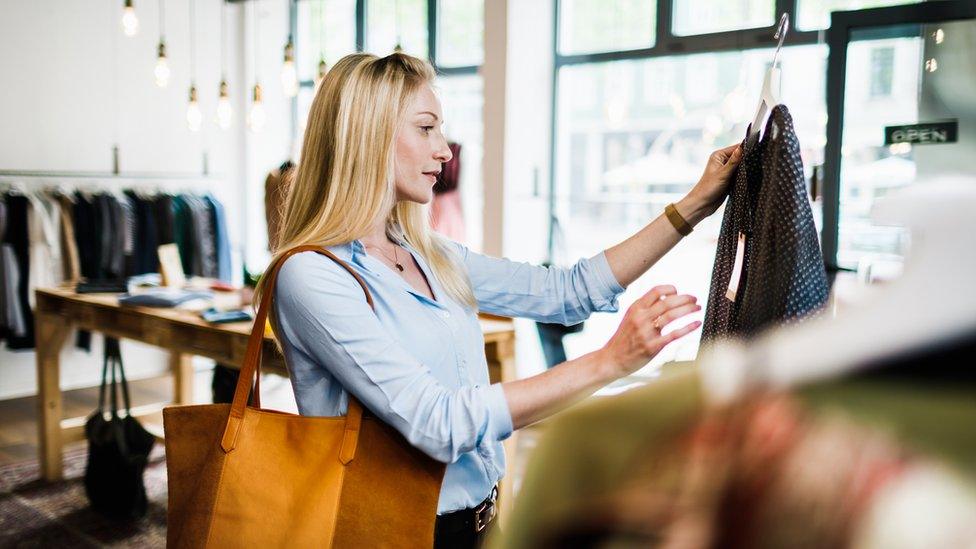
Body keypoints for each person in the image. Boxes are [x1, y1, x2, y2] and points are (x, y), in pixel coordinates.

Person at [256, 52, 742, 549]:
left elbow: (567, 291)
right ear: (369, 136)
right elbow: (439, 423)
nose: (445, 151)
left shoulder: (429, 254)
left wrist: (695, 205)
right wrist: (608, 362)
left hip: (484, 520)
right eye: (426, 129)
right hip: (393, 533)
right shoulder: (311, 275)